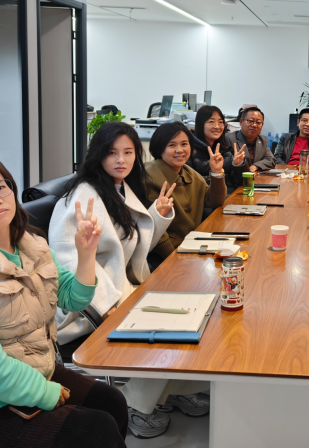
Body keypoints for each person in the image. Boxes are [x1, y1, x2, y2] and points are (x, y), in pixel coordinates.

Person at [0, 151, 128, 447]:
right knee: (96, 430)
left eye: (0, 188)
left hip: (30, 370)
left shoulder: (31, 245)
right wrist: (43, 392)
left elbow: (74, 299)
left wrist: (86, 254)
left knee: (112, 402)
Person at [48, 122, 196, 439]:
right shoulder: (82, 196)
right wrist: (106, 305)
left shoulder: (118, 187)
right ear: (98, 155)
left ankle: (168, 392)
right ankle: (134, 405)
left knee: (188, 312)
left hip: (123, 289)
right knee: (170, 328)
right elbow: (68, 259)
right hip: (89, 306)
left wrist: (157, 215)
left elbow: (128, 246)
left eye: (128, 152)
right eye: (112, 153)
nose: (121, 160)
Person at [146, 122, 227, 262]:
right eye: (172, 145)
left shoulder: (189, 173)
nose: (180, 150)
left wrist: (216, 172)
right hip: (164, 256)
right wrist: (173, 259)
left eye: (184, 144)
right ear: (160, 148)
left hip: (193, 246)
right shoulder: (148, 176)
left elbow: (215, 201)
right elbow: (152, 227)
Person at [188, 106, 248, 194]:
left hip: (229, 197)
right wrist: (217, 175)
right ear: (200, 124)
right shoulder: (189, 148)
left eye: (220, 122)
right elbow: (191, 184)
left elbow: (239, 183)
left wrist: (238, 166)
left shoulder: (225, 147)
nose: (217, 126)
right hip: (206, 199)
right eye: (211, 122)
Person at [225, 106, 276, 172]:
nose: (254, 125)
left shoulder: (262, 140)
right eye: (250, 121)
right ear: (241, 122)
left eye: (258, 122)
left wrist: (256, 166)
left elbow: (271, 159)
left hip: (256, 177)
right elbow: (228, 165)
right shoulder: (229, 138)